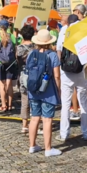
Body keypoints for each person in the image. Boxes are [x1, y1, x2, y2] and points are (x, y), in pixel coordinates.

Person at [56, 14, 87, 141]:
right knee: (84, 103)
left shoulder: (64, 31)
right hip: (81, 71)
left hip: (66, 72)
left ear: (68, 22)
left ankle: (64, 133)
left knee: (65, 104)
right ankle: (86, 132)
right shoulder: (83, 30)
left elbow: (59, 50)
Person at [27, 29, 62, 157]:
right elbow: (57, 76)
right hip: (48, 91)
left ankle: (32, 145)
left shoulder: (32, 54)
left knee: (34, 117)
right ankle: (48, 148)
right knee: (47, 120)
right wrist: (58, 90)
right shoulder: (52, 55)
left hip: (33, 90)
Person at [0, 19, 17, 112]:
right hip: (10, 62)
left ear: (0, 26)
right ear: (8, 27)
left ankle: (3, 105)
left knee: (1, 84)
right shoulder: (12, 36)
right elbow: (15, 50)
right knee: (9, 84)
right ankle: (10, 105)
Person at [17, 25, 35, 133]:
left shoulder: (19, 47)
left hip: (22, 74)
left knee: (24, 101)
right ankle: (34, 123)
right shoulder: (35, 47)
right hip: (33, 75)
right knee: (34, 100)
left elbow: (17, 60)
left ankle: (24, 125)